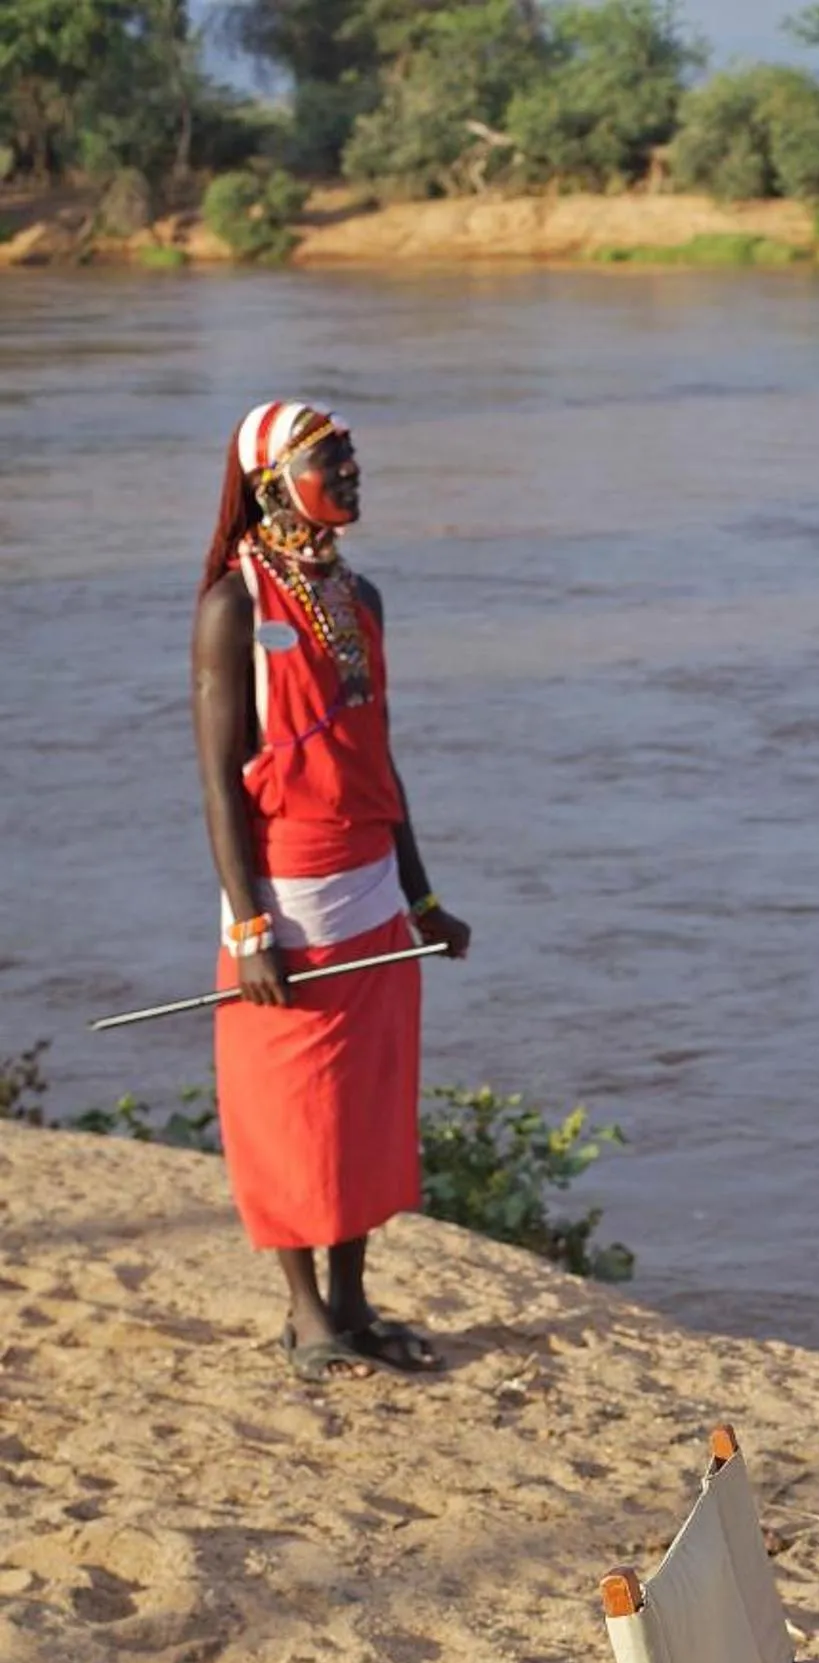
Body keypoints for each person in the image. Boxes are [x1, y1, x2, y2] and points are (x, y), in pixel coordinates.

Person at [193, 400, 470, 1381]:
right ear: (274, 481)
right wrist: (249, 927)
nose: (352, 472)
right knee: (290, 1108)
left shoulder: (363, 598)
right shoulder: (234, 607)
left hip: (372, 894)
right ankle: (306, 1314)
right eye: (330, 460)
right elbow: (219, 781)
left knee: (363, 1106)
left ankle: (352, 1301)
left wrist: (423, 900)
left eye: (351, 457)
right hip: (287, 899)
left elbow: (377, 759)